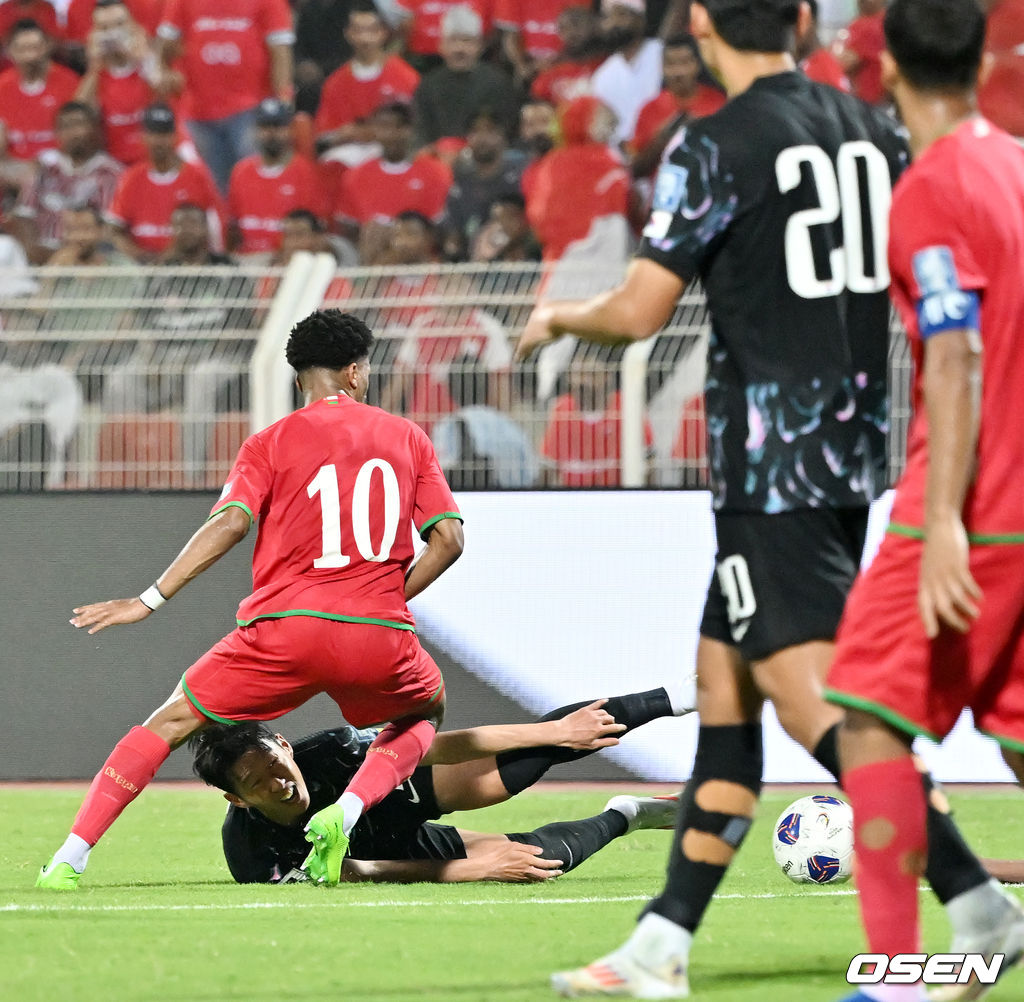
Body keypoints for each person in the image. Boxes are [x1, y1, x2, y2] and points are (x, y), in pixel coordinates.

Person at [517, 1, 1020, 997]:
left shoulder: (712, 142)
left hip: (766, 472)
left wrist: (558, 314)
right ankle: (660, 947)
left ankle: (971, 906)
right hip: (851, 457)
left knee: (827, 708)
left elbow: (641, 309)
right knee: (725, 699)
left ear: (701, 25)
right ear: (796, 19)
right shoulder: (876, 130)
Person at [35, 309, 466, 891]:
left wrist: (149, 599)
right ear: (357, 372)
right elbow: (449, 540)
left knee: (171, 722)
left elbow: (231, 523)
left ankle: (70, 858)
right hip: (376, 631)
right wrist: (385, 599)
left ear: (297, 379)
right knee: (422, 714)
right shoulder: (408, 437)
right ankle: (348, 810)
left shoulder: (269, 442)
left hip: (284, 629)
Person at [826, 2, 1024, 1000]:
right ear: (984, 57)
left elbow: (955, 352)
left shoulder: (932, 185)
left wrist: (941, 517)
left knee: (864, 717)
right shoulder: (1020, 166)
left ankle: (894, 975)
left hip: (974, 502)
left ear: (885, 67)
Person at [193, 687, 690, 884]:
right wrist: (475, 868)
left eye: (277, 765)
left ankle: (683, 694)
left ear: (284, 743)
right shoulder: (252, 855)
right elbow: (358, 872)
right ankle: (629, 814)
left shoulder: (333, 751)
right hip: (384, 847)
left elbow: (445, 745)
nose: (280, 785)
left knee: (526, 761)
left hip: (392, 794)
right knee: (540, 862)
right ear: (235, 798)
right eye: (258, 785)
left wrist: (554, 731)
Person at [155, 0, 295, 193]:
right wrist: (164, 70)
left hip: (250, 110)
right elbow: (166, 42)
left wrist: (283, 99)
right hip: (199, 112)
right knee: (213, 191)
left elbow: (280, 53)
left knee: (253, 185)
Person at [105, 102, 224, 261]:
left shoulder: (197, 175)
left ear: (175, 136)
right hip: (142, 266)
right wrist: (140, 256)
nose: (158, 141)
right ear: (143, 137)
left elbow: (215, 226)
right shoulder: (131, 178)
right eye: (153, 134)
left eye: (164, 134)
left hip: (186, 265)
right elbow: (114, 229)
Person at [11, 100, 122, 263]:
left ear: (95, 129)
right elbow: (23, 217)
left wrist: (69, 257)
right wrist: (35, 251)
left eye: (79, 124)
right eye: (66, 127)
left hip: (86, 259)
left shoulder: (110, 173)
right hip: (38, 254)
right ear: (57, 133)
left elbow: (109, 228)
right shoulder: (44, 168)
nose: (74, 133)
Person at [226, 97, 324, 258]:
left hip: (286, 262)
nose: (271, 133)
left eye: (278, 126)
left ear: (291, 130)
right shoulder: (241, 171)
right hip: (246, 261)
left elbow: (314, 231)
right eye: (265, 127)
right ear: (255, 130)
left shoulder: (304, 172)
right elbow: (232, 228)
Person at [0, 20, 80, 163]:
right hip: (16, 169)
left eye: (35, 48)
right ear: (10, 51)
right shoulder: (2, 87)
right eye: (23, 49)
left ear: (47, 47)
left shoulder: (69, 82)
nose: (30, 56)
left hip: (63, 164)